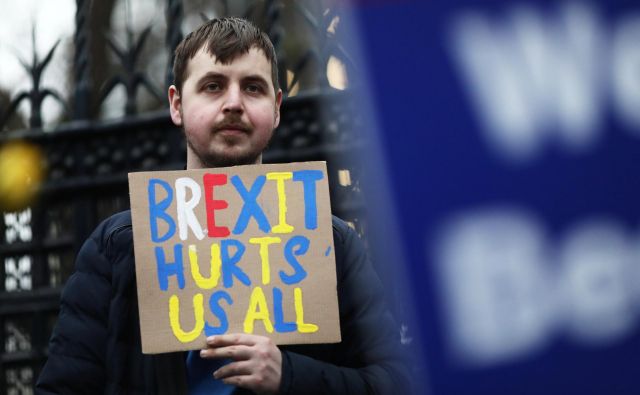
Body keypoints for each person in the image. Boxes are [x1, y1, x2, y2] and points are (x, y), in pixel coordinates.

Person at [36, 17, 408, 395]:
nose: (233, 103)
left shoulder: (332, 245)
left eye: (253, 88)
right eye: (213, 86)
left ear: (277, 109)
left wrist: (289, 374)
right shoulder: (117, 247)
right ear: (177, 105)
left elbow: (398, 382)